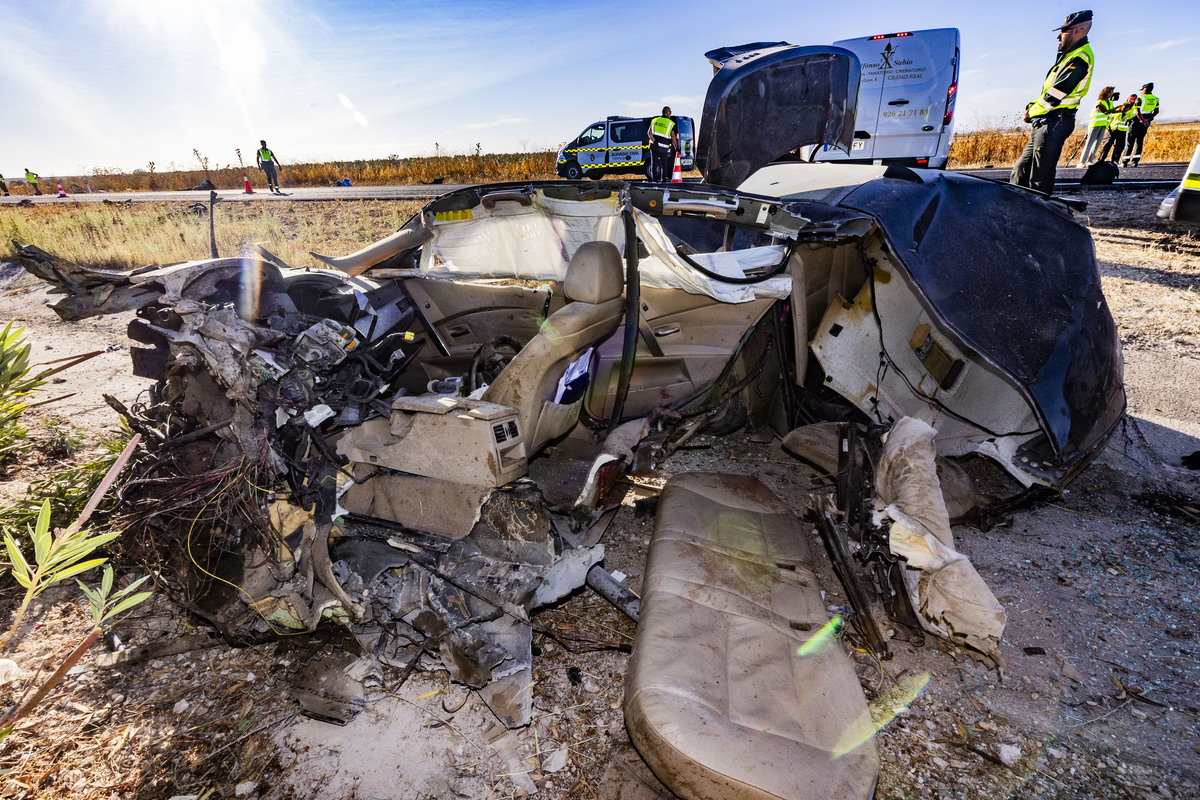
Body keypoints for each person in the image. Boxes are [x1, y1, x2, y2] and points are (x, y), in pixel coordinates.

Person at [1010, 10, 1095, 194]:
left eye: (1063, 31)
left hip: (1054, 121)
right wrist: (1032, 107)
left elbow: (1054, 97)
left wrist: (1029, 112)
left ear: (1078, 30)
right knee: (1020, 172)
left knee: (1039, 178)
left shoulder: (1079, 58)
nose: (1058, 36)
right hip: (1045, 121)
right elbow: (1049, 94)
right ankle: (1018, 211)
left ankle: (1039, 217)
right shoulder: (1069, 57)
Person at [1122, 82, 1160, 167]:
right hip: (1146, 122)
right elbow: (1156, 111)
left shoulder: (1140, 99)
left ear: (1145, 89)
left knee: (1129, 141)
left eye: (1141, 90)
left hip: (1136, 121)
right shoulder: (1156, 99)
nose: (1140, 92)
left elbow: (1137, 112)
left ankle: (1125, 161)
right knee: (1139, 141)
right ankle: (1135, 161)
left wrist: (1142, 120)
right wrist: (1147, 120)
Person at [1077, 86, 1116, 166]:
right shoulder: (1099, 102)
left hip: (1103, 125)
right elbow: (1105, 111)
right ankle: (1081, 162)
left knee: (1096, 144)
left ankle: (1090, 161)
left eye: (1112, 92)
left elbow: (1111, 113)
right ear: (1105, 93)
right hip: (1095, 125)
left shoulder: (1110, 102)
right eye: (1110, 92)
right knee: (1089, 143)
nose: (1111, 94)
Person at [1098, 94, 1136, 163]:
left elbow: (1130, 119)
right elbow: (1110, 116)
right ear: (1128, 99)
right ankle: (1101, 159)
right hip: (1112, 129)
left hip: (1122, 130)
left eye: (1134, 99)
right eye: (1131, 99)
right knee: (1107, 145)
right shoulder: (1119, 107)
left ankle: (1115, 160)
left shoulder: (1133, 109)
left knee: (1119, 146)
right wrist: (1107, 126)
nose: (1132, 101)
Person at [646, 107, 679, 182]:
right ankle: (663, 179)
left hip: (654, 146)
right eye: (670, 112)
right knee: (664, 164)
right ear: (667, 112)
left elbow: (649, 133)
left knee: (654, 163)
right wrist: (676, 146)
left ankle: (654, 180)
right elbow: (673, 136)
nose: (670, 113)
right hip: (663, 147)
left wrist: (654, 141)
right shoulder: (670, 123)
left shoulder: (654, 120)